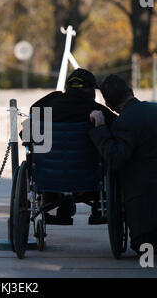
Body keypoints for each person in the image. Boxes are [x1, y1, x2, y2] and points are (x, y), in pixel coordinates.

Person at [89, 74, 157, 262]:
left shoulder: (123, 123)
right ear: (131, 91)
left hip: (146, 196)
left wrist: (99, 128)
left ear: (109, 106)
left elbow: (115, 159)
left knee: (144, 249)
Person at [22, 68, 117, 225]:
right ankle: (99, 206)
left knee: (45, 150)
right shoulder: (97, 111)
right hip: (89, 180)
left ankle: (61, 206)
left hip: (49, 178)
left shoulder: (47, 106)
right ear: (90, 90)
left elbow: (27, 135)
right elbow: (117, 132)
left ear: (67, 88)